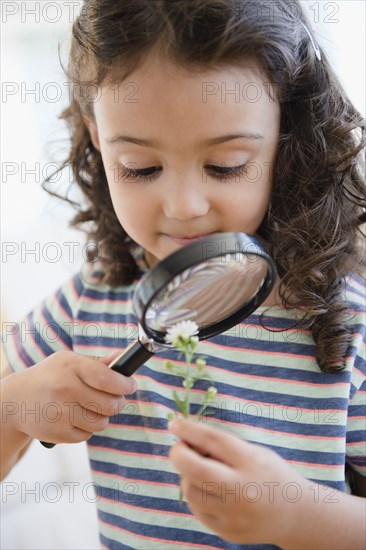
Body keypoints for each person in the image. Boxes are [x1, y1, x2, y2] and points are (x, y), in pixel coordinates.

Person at [1, 0, 365, 548]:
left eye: (226, 165)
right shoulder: (91, 299)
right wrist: (13, 410)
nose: (185, 205)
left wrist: (299, 517)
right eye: (140, 168)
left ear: (286, 133)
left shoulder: (344, 322)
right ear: (96, 136)